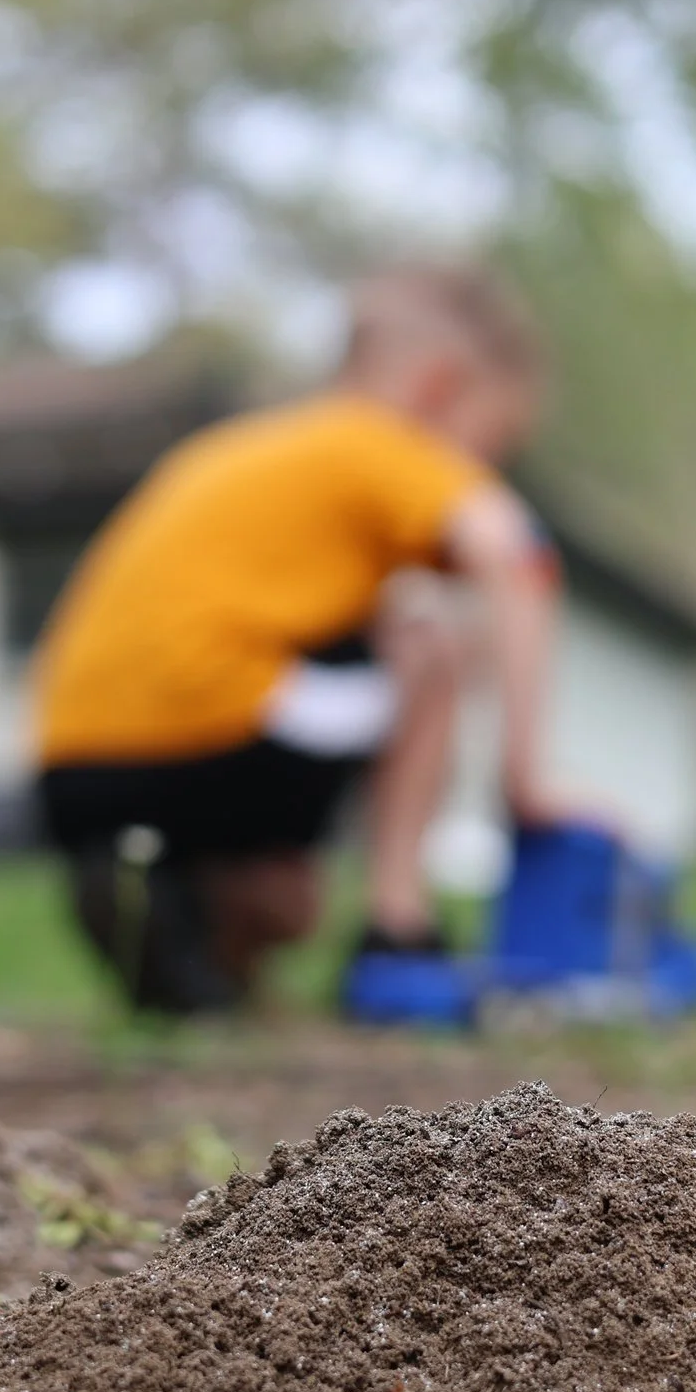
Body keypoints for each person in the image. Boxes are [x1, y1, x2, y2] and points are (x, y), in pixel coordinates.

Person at [28, 264, 569, 1014]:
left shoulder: (242, 452)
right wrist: (526, 785)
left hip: (76, 773)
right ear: (439, 388)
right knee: (429, 647)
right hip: (210, 719)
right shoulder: (376, 441)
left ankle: (186, 931)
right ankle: (397, 927)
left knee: (291, 906)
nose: (479, 471)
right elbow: (517, 560)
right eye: (489, 447)